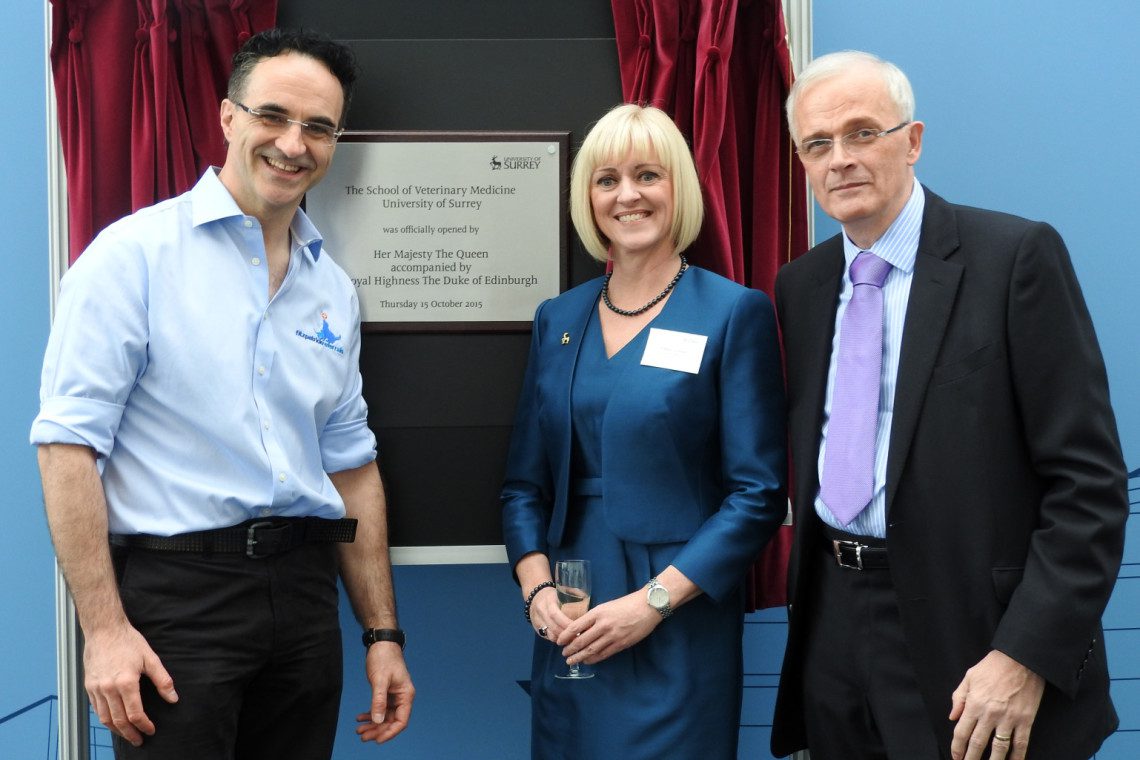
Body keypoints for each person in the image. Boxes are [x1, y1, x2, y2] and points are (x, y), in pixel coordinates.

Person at [31, 28, 414, 759]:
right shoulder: (131, 258)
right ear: (228, 116)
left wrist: (382, 634)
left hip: (304, 601)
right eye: (272, 115)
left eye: (318, 128)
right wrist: (105, 630)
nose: (293, 144)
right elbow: (66, 449)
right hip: (177, 602)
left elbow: (353, 470)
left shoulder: (331, 288)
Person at [770, 50, 1128, 760]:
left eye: (863, 132)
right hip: (833, 631)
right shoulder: (800, 289)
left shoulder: (1014, 259)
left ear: (914, 140)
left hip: (974, 641)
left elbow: (1087, 487)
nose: (840, 158)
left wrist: (1024, 656)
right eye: (818, 143)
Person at [501, 103, 787, 759]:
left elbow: (758, 494)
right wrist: (537, 586)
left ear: (677, 188)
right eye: (607, 180)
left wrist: (652, 603)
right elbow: (522, 485)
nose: (627, 195)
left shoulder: (732, 312)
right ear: (587, 198)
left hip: (678, 616)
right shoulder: (559, 318)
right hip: (573, 608)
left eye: (647, 175)